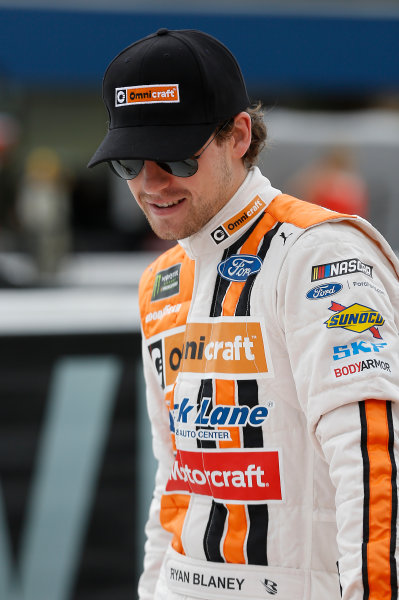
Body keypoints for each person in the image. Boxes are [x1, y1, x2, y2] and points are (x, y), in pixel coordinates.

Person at [88, 28, 399, 600]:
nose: (150, 183)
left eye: (176, 156)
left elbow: (374, 460)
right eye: (128, 162)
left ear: (238, 135)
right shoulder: (160, 281)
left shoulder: (320, 255)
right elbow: (176, 477)